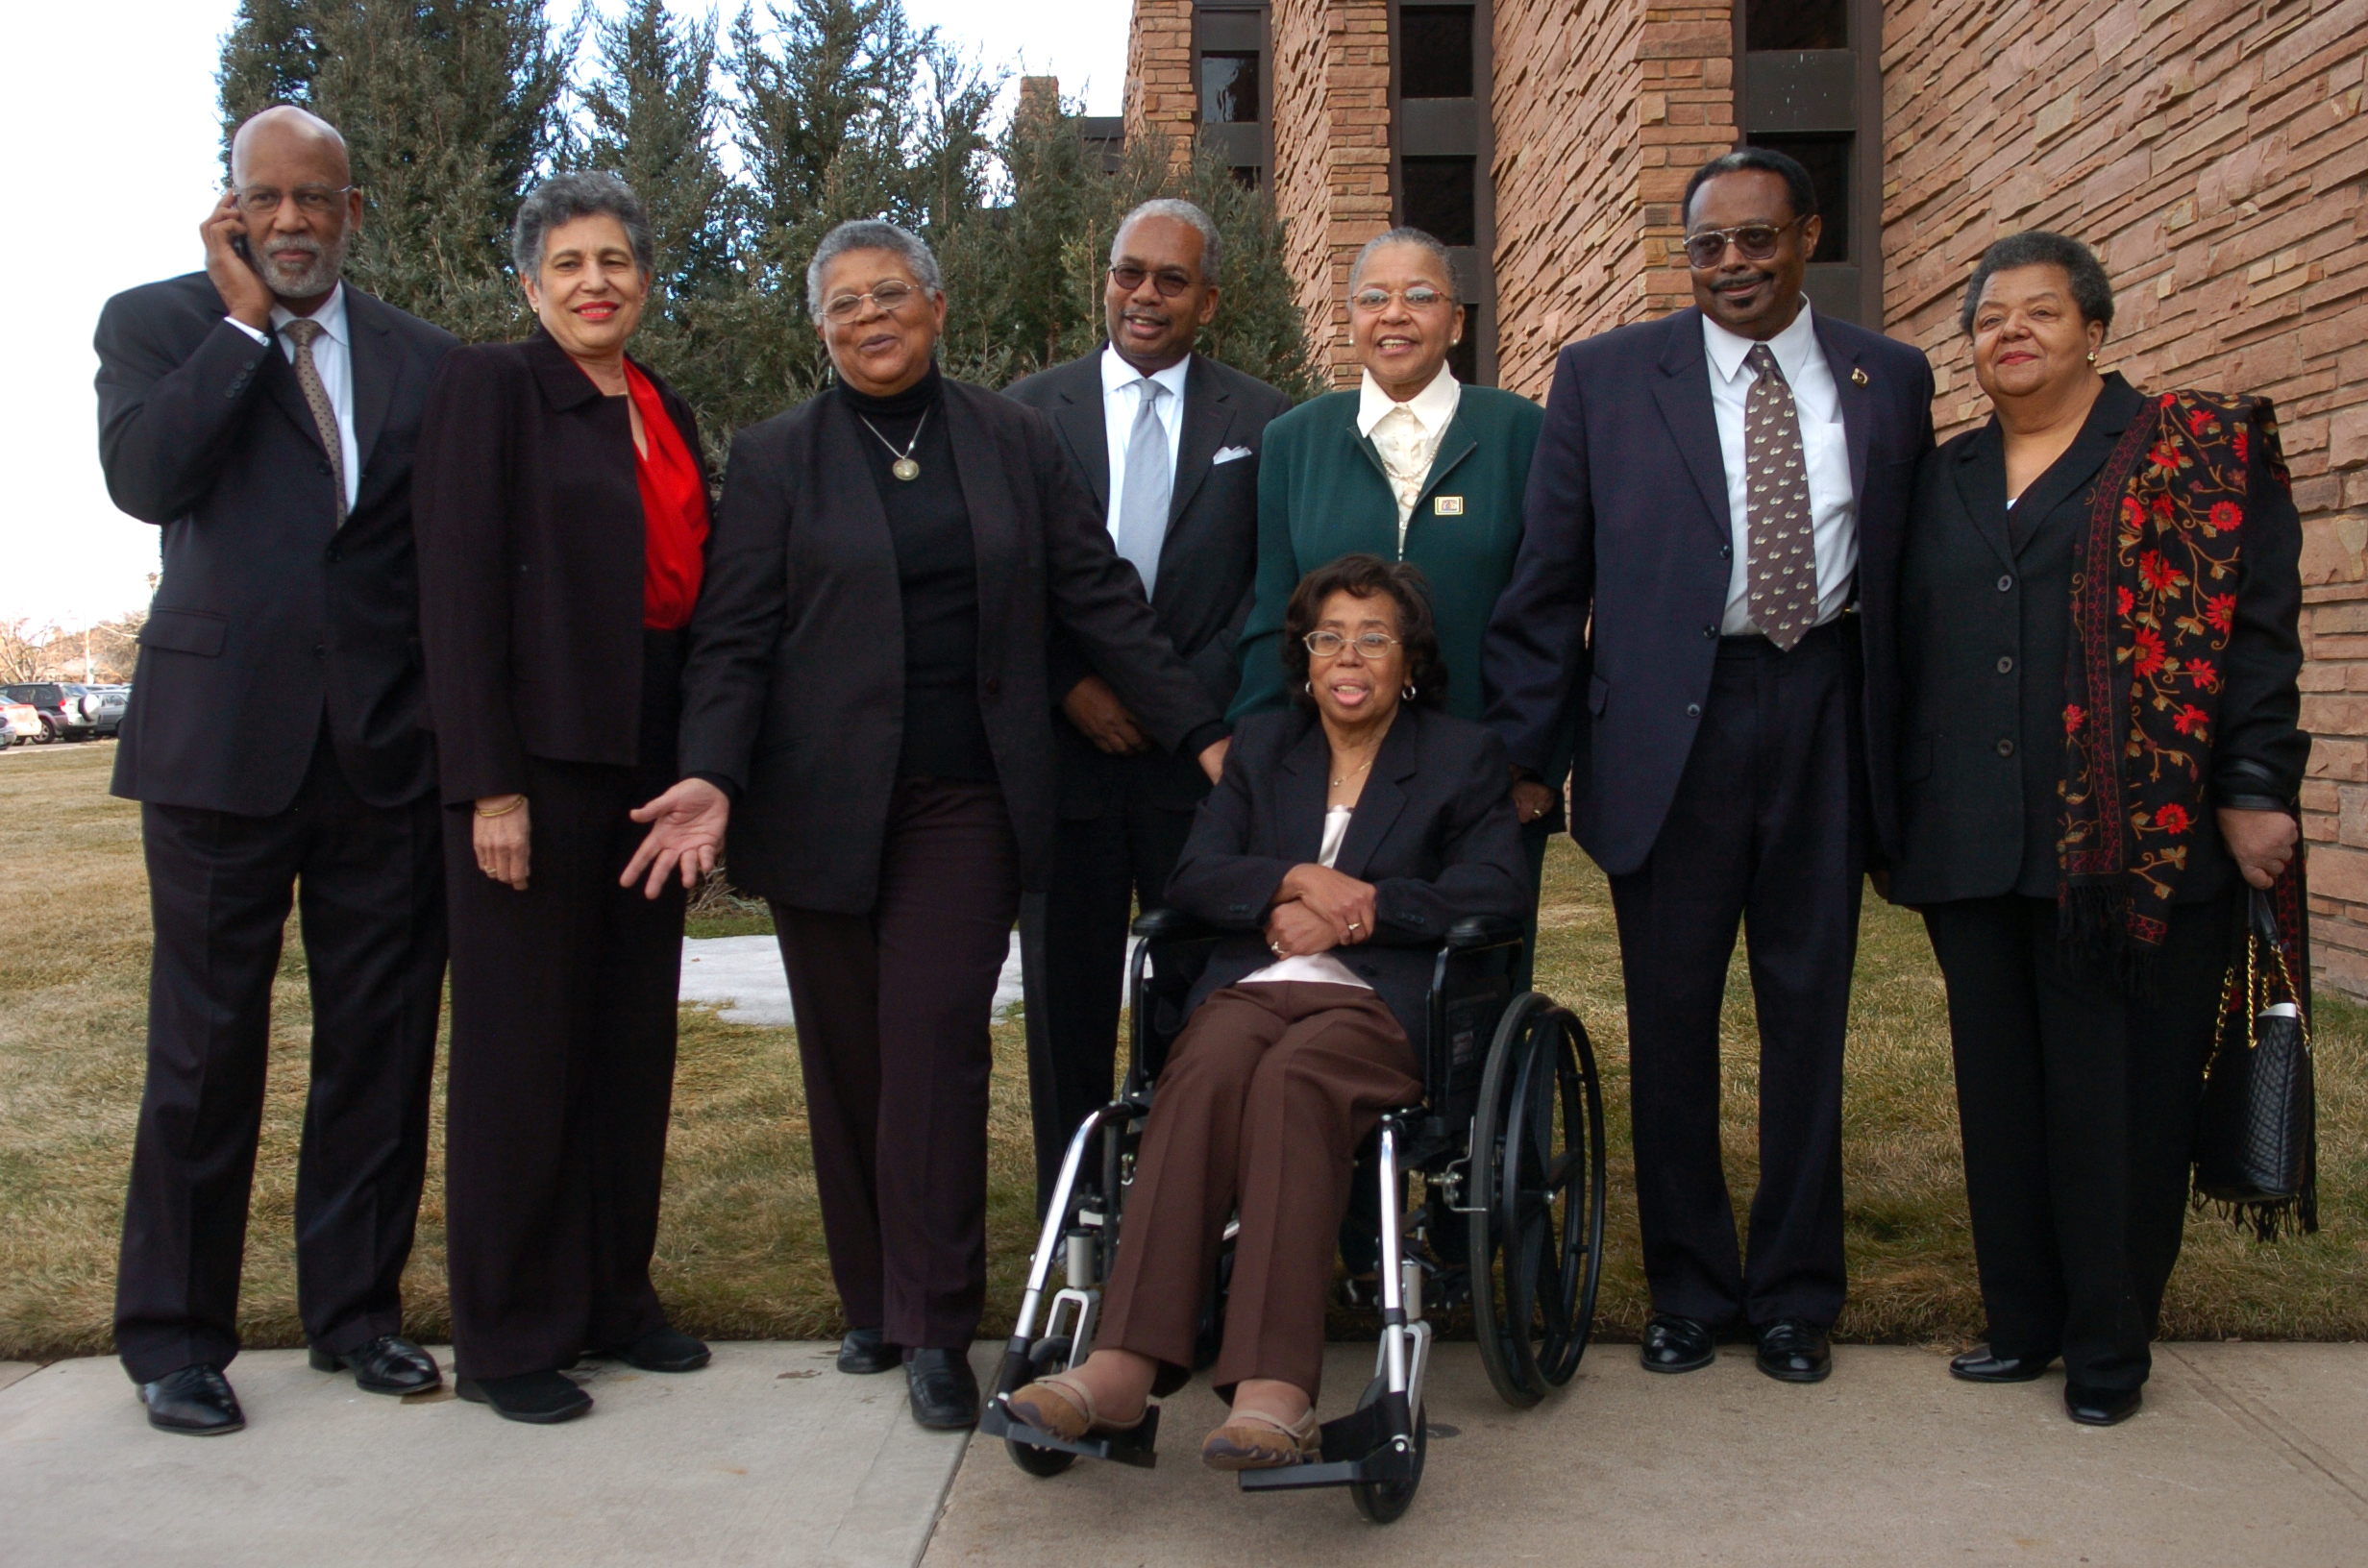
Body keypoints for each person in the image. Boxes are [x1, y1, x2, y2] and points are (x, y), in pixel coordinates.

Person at [624, 220, 1229, 1432]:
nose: (868, 319)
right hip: (820, 805)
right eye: (841, 305)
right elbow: (735, 640)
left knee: (935, 1043)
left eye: (888, 294)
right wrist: (711, 774)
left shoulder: (1009, 438)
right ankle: (873, 1297)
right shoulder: (781, 456)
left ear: (938, 307)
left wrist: (1201, 734)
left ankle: (937, 1322)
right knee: (849, 1059)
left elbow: (1094, 591)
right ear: (820, 329)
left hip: (966, 798)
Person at [1483, 148, 1935, 1384]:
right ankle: (1687, 1284)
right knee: (1670, 1018)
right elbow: (1546, 586)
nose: (1731, 262)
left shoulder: (1889, 380)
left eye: (1756, 238)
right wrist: (1528, 755)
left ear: (1807, 238)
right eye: (1706, 245)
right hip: (1664, 729)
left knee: (1808, 1014)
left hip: (1827, 711)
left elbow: (1909, 578)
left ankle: (1794, 1293)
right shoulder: (1605, 379)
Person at [1890, 233, 2304, 1426]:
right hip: (1974, 835)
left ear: (2096, 332)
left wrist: (2257, 780)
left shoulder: (2190, 459)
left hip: (2136, 841)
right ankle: (2019, 1323)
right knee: (2001, 1093)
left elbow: (2257, 633)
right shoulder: (1943, 475)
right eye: (1987, 319)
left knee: (2116, 1098)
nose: (2009, 333)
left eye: (2040, 313)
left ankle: (2108, 1348)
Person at [92, 106, 456, 1436]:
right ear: (231, 207)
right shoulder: (157, 326)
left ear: (354, 210)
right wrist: (244, 326)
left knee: (379, 1045)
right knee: (203, 1050)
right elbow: (146, 476)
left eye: (318, 198)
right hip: (217, 750)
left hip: (382, 754)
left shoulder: (423, 360)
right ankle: (175, 1336)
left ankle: (355, 1313)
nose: (295, 220)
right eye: (269, 198)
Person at [1002, 555, 1528, 1470]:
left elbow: (1492, 889)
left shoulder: (1460, 756)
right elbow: (1195, 876)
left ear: (1411, 661)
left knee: (1293, 1080)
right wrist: (1293, 878)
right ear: (1305, 656)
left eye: (1374, 638)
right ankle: (1124, 1365)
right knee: (1200, 1069)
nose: (1348, 658)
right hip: (1255, 985)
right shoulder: (1260, 750)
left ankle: (1273, 1390)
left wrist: (1358, 905)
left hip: (1376, 1001)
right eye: (1329, 639)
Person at [412, 172, 713, 1425]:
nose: (597, 283)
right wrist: (489, 784)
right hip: (533, 766)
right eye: (571, 263)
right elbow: (458, 590)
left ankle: (611, 1294)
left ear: (645, 282)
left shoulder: (662, 404)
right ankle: (510, 1331)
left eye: (617, 262)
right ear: (530, 283)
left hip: (650, 770)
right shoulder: (491, 390)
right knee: (521, 1056)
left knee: (627, 1043)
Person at [1003, 199, 1293, 1216]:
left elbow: (1273, 588)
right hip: (1065, 757)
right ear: (1105, 279)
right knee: (1066, 1009)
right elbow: (1005, 588)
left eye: (1171, 280)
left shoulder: (1264, 424)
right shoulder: (1027, 412)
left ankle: (1187, 1217)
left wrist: (1182, 710)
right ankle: (1073, 1220)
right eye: (1130, 273)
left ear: (1207, 300)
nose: (1145, 296)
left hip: (1198, 767)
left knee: (1195, 1004)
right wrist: (1071, 686)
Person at [1231, 229, 1558, 896]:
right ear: (1350, 318)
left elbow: (1551, 612)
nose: (1395, 314)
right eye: (1373, 297)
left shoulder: (1524, 433)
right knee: (1330, 972)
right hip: (1326, 778)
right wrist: (1257, 763)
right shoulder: (1294, 441)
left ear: (1457, 320)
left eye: (1420, 296)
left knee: (1473, 984)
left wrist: (1529, 767)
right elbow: (1273, 611)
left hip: (1486, 775)